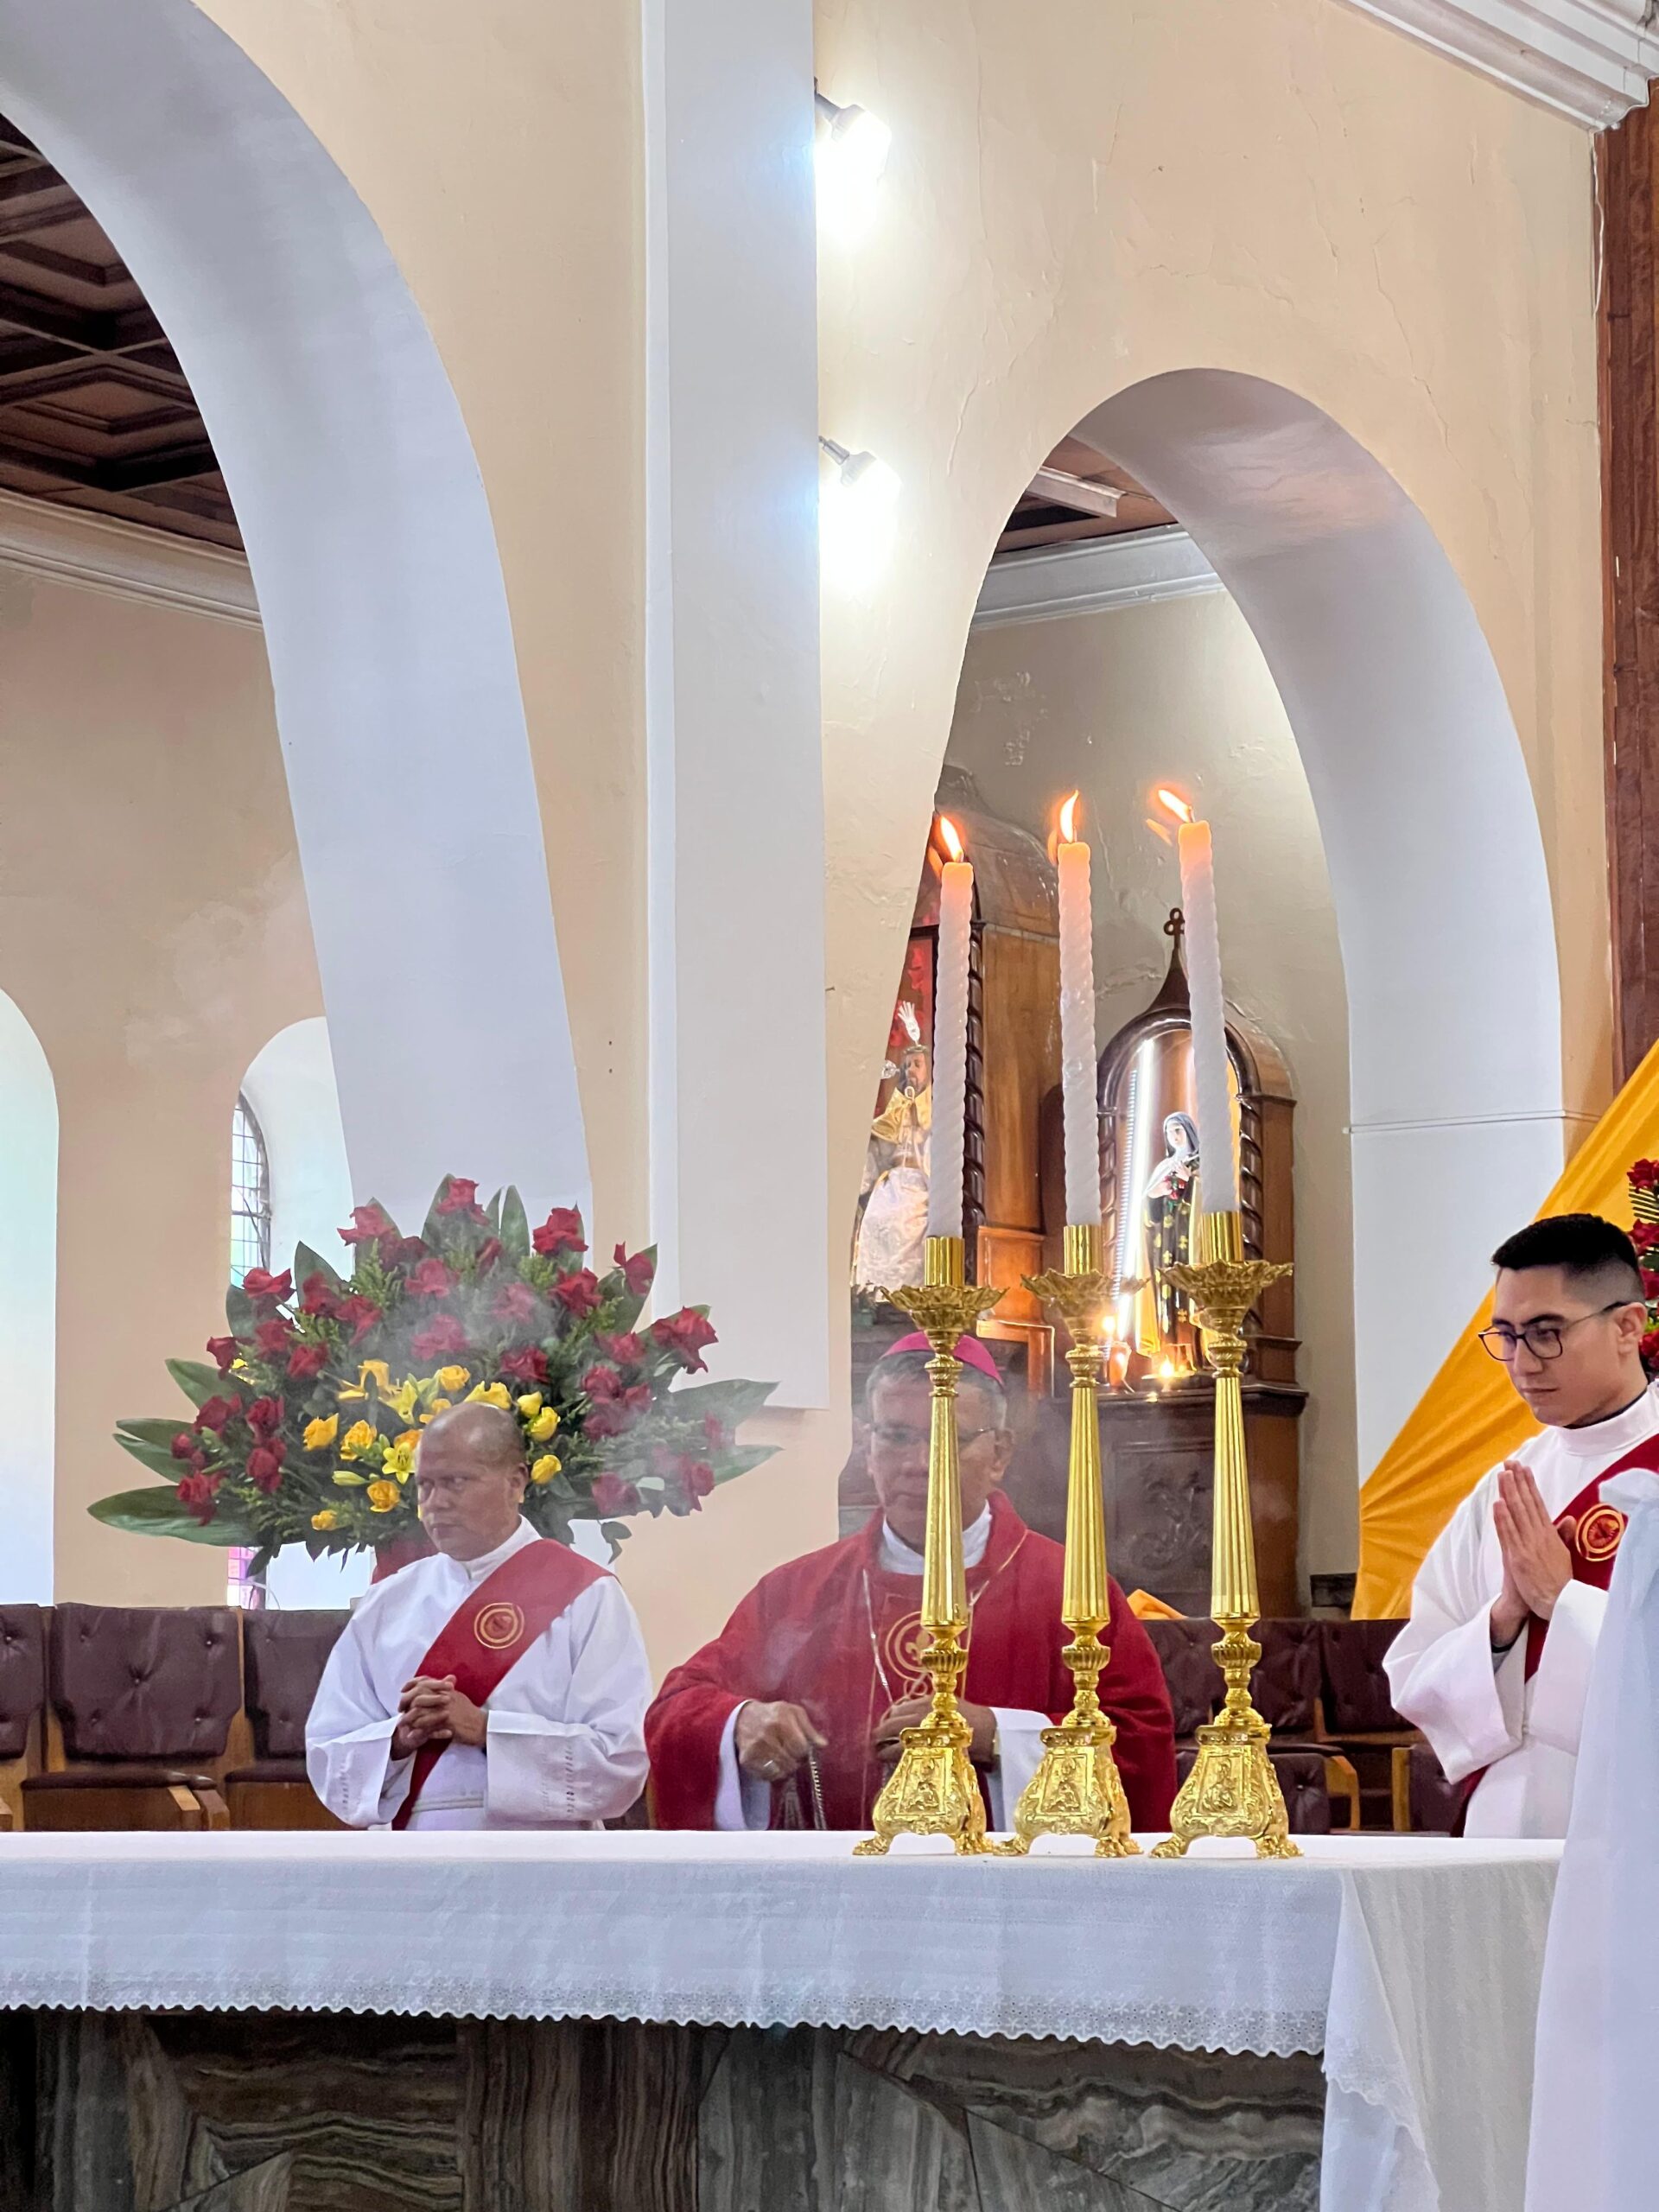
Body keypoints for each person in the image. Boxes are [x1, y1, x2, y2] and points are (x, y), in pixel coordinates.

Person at [645, 1336, 1177, 1833]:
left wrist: (995, 1736)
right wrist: (741, 1723)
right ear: (867, 1446)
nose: (920, 1464)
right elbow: (677, 1710)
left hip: (1012, 1908)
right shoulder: (798, 1593)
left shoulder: (1069, 1591)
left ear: (1000, 1454)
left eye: (949, 1439)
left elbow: (1140, 1747)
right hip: (838, 1906)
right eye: (897, 1437)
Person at [1385, 1214, 1658, 1837]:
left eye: (1546, 1332)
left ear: (1627, 1326)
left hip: (1636, 1829)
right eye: (1506, 1335)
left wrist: (1562, 1602)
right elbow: (1414, 1672)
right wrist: (1504, 1621)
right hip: (1503, 1832)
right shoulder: (1502, 1491)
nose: (1521, 1362)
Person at [307, 1401, 652, 1830]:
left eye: (456, 1482)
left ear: (516, 1482)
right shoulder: (386, 1603)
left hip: (541, 1854)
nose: (436, 1503)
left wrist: (486, 1729)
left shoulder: (587, 1596)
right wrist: (398, 1740)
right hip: (412, 1854)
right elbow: (328, 1753)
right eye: (426, 1486)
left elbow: (619, 1762)